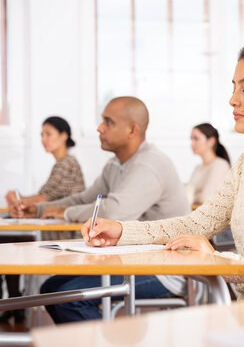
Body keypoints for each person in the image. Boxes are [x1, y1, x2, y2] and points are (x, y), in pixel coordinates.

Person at [78, 39, 244, 315]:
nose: (233, 100)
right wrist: (122, 232)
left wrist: (219, 261)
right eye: (233, 89)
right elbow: (198, 223)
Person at [32, 97, 191, 324]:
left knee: (67, 298)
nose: (99, 128)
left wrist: (64, 213)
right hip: (134, 260)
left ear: (132, 130)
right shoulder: (115, 164)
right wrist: (39, 209)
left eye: (108, 122)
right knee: (51, 288)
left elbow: (114, 211)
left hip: (165, 270)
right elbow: (84, 198)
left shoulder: (149, 164)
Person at [1, 116, 85, 324]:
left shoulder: (66, 163)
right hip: (59, 233)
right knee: (14, 245)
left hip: (64, 238)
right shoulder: (62, 163)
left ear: (64, 135)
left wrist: (18, 199)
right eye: (41, 135)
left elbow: (43, 198)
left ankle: (14, 302)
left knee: (12, 246)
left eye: (48, 134)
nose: (43, 139)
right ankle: (15, 302)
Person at [188, 123, 230, 205]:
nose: (192, 144)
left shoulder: (220, 165)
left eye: (196, 139)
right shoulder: (198, 168)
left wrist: (189, 197)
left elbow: (206, 198)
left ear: (211, 141)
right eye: (191, 139)